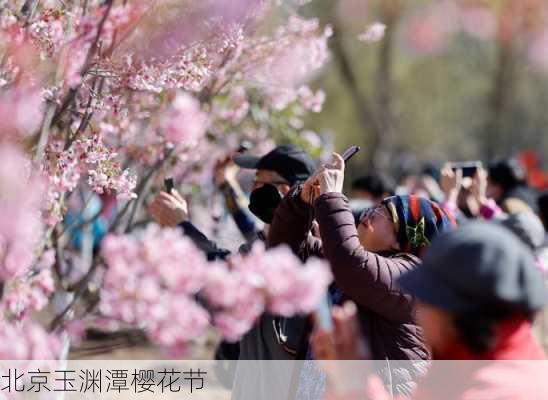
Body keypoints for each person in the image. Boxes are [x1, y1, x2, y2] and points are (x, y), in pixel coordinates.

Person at [267, 153, 456, 396]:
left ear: (404, 240)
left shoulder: (413, 279)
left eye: (385, 213)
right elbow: (285, 254)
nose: (369, 213)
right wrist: (301, 201)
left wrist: (332, 196)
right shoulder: (341, 258)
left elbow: (351, 264)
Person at [313, 222, 548, 400]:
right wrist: (354, 378)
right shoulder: (464, 363)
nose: (419, 310)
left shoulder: (498, 391)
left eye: (426, 298)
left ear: (457, 312)